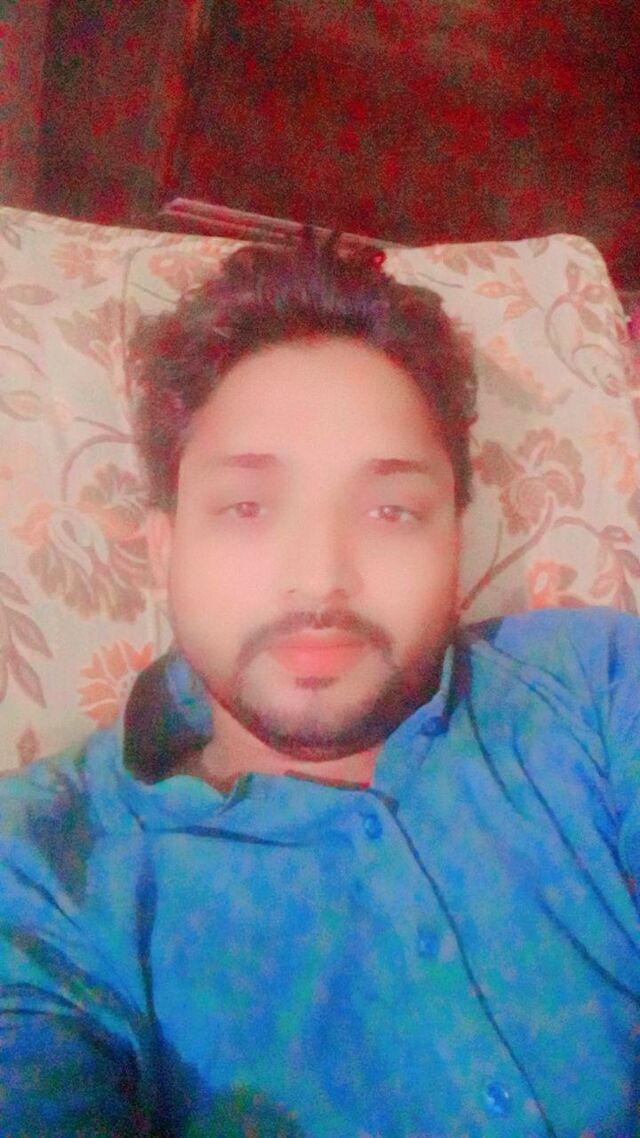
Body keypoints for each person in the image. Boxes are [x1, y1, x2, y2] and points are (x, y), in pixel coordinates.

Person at [0, 233, 639, 1138]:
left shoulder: (598, 686)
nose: (320, 577)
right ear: (165, 547)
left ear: (457, 538)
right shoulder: (41, 871)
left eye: (391, 510)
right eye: (247, 507)